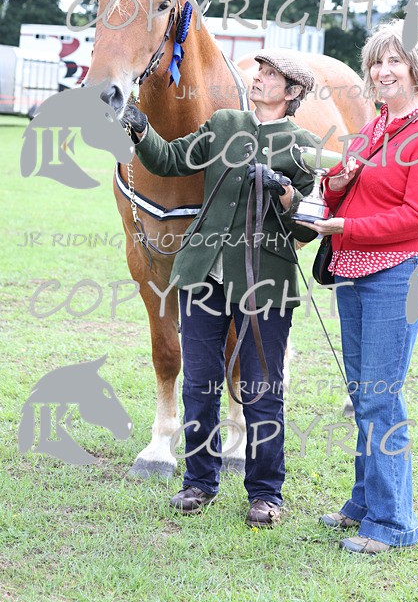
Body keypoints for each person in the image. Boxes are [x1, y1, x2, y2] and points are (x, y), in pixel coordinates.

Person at [122, 49, 319, 528]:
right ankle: (200, 482)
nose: (260, 79)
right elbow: (171, 161)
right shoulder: (224, 123)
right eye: (260, 71)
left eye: (273, 77)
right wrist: (141, 129)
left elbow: (306, 229)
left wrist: (287, 193)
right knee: (199, 383)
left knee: (262, 391)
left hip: (265, 284)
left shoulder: (302, 145)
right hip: (203, 274)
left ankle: (266, 493)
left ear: (292, 93)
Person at [302, 19, 418, 554]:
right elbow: (342, 192)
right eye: (376, 62)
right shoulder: (371, 129)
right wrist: (335, 185)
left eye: (395, 61)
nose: (384, 71)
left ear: (416, 70)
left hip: (397, 275)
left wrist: (345, 227)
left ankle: (393, 524)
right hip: (353, 273)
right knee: (362, 397)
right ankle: (363, 503)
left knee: (381, 399)